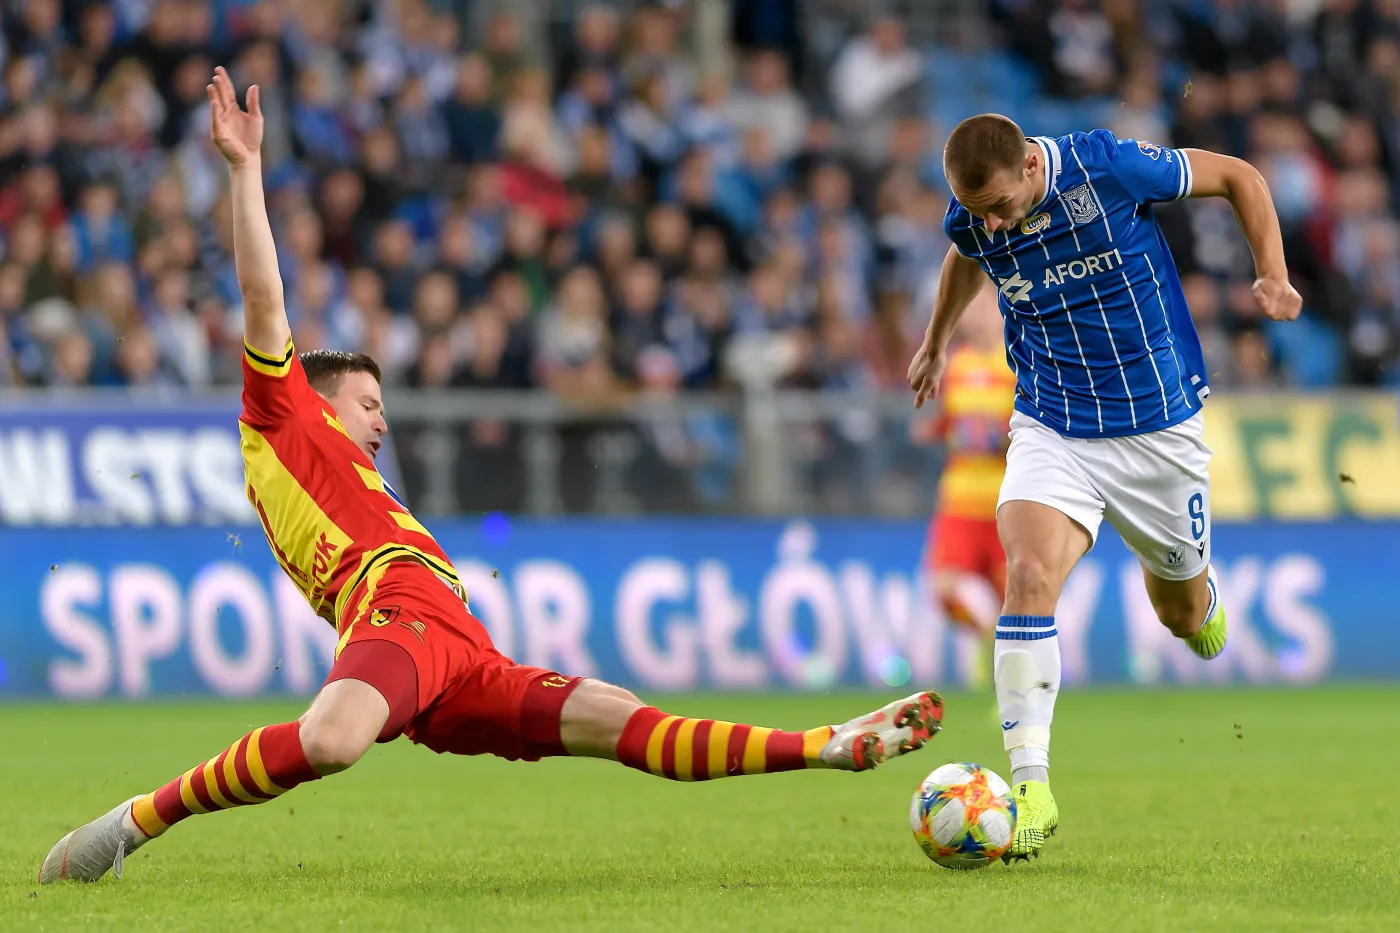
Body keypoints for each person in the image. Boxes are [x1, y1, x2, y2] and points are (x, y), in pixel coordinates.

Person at [39, 69, 944, 885]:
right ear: (316, 398)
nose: (381, 418)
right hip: (397, 608)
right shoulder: (282, 413)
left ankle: (827, 744)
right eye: (366, 401)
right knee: (332, 738)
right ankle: (131, 822)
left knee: (616, 716)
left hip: (455, 642)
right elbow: (265, 299)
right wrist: (244, 171)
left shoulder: (338, 468)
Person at [906, 114, 1301, 862]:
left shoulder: (1109, 166)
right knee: (1026, 574)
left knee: (1179, 615)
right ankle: (1031, 789)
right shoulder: (976, 215)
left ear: (1029, 164)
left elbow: (1239, 177)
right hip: (1052, 422)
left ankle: (1199, 595)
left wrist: (1272, 273)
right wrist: (937, 340)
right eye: (978, 211)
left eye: (999, 206)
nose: (991, 223)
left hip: (1158, 428)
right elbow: (967, 253)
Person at [913, 280, 1015, 690]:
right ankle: (986, 638)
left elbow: (1024, 433)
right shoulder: (955, 365)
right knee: (942, 588)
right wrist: (934, 429)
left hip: (1006, 503)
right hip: (959, 499)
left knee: (1016, 601)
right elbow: (950, 422)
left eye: (984, 307)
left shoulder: (1017, 364)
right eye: (970, 308)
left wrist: (989, 437)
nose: (975, 315)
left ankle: (1016, 688)